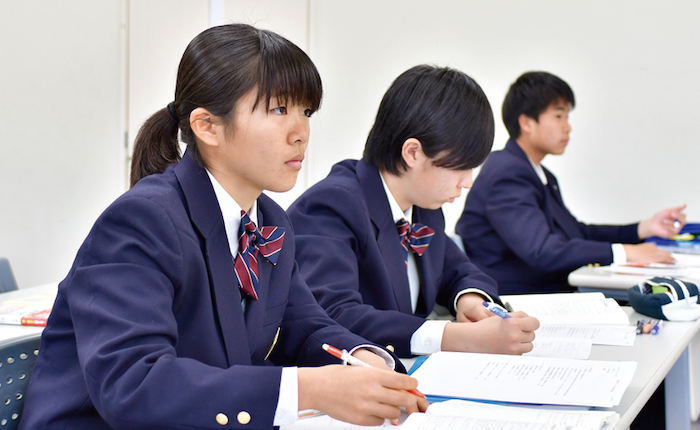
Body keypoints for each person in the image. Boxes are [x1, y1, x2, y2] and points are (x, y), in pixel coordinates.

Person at [19, 24, 426, 430]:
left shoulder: (268, 219)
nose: (301, 132)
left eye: (306, 111)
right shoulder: (141, 221)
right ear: (207, 126)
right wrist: (308, 389)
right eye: (279, 110)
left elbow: (301, 325)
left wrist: (363, 358)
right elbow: (133, 383)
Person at [287, 65, 539, 359]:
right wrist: (453, 337)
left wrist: (471, 299)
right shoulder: (331, 206)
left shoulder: (423, 206)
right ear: (413, 153)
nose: (468, 181)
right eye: (460, 166)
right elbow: (334, 315)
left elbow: (459, 270)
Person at [456, 71, 686, 295]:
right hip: (514, 297)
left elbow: (575, 232)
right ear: (526, 123)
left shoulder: (538, 174)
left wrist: (642, 228)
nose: (567, 127)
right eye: (558, 116)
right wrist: (625, 253)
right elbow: (542, 251)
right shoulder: (507, 172)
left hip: (546, 289)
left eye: (567, 117)